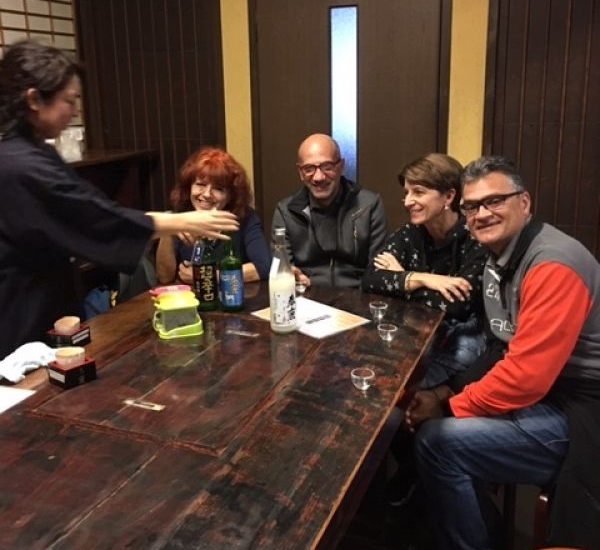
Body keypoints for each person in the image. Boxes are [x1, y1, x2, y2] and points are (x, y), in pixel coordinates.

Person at [394, 156, 600, 550]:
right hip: (553, 393)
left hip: (587, 407)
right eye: (472, 207)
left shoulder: (552, 264)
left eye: (494, 202)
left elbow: (525, 377)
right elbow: (501, 348)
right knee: (432, 425)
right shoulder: (497, 259)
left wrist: (446, 405)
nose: (481, 214)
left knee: (438, 443)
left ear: (524, 203)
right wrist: (445, 390)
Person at [0, 40, 239, 360]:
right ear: (33, 100)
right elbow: (91, 216)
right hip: (20, 305)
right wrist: (178, 220)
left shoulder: (35, 152)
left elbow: (95, 206)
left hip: (49, 296)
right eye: (68, 100)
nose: (75, 110)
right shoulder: (19, 164)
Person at [362, 153, 487, 388]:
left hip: (461, 339)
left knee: (396, 388)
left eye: (418, 192)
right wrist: (424, 279)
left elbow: (457, 306)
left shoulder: (475, 237)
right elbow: (370, 279)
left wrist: (399, 278)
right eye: (406, 193)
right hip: (415, 334)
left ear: (449, 196)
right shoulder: (411, 232)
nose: (408, 201)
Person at [271, 133, 387, 288]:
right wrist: (292, 277)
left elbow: (379, 271)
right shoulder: (285, 211)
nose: (318, 177)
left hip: (359, 298)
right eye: (309, 169)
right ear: (300, 172)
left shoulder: (368, 205)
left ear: (341, 166)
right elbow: (284, 271)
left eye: (327, 167)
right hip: (308, 297)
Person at [156, 147, 270, 284]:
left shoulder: (245, 218)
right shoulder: (179, 217)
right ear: (189, 187)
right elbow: (164, 277)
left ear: (230, 196)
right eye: (200, 184)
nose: (206, 194)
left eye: (218, 188)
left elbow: (263, 267)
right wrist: (168, 231)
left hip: (234, 297)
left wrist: (207, 276)